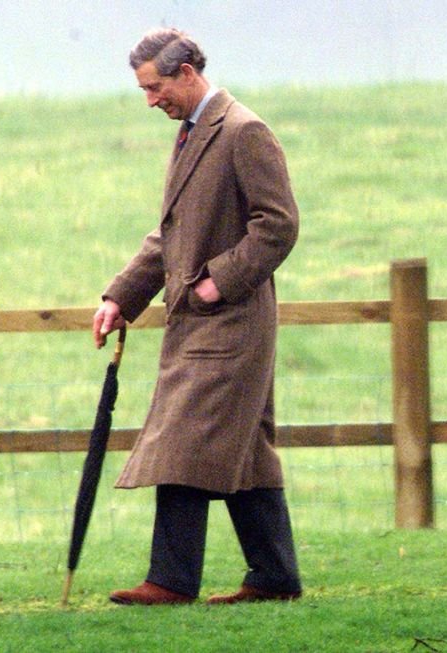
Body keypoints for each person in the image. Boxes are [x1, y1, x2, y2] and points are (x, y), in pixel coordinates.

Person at [92, 27, 302, 605]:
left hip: (231, 323)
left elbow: (279, 225)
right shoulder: (190, 134)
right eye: (144, 89)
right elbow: (170, 235)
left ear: (187, 73)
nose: (150, 100)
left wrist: (218, 282)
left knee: (183, 440)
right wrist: (120, 297)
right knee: (244, 450)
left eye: (155, 87)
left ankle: (170, 580)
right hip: (203, 327)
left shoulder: (243, 132)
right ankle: (275, 577)